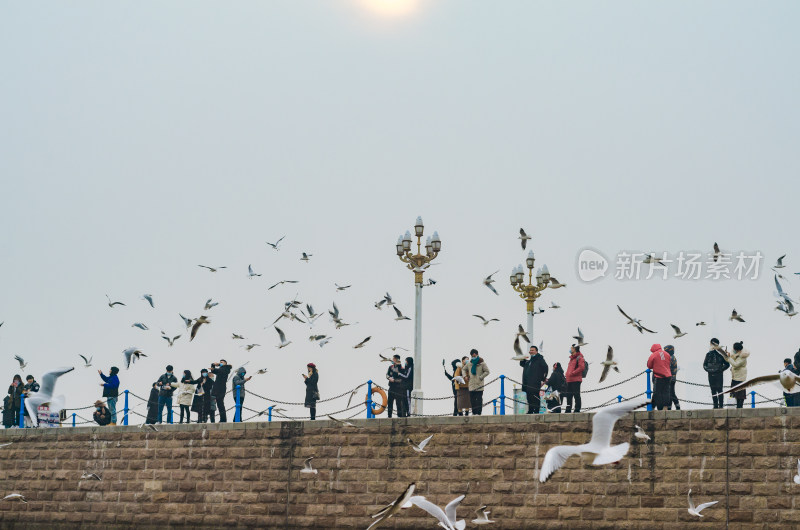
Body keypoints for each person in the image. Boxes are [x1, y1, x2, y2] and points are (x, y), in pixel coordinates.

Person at [520, 345, 548, 414]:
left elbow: (545, 368)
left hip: (535, 382)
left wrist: (542, 379)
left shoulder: (540, 359)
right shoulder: (529, 360)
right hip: (527, 382)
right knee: (529, 397)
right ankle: (530, 410)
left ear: (536, 351)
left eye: (532, 350)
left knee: (535, 396)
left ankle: (536, 410)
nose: (531, 351)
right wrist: (522, 358)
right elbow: (522, 364)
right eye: (530, 350)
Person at [703, 338, 729, 409]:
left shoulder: (720, 355)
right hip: (713, 374)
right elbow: (704, 365)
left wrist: (719, 370)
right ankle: (716, 405)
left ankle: (720, 405)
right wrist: (712, 370)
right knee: (714, 390)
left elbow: (727, 364)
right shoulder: (709, 354)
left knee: (718, 390)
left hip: (717, 375)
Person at [721, 342, 749, 409]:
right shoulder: (736, 353)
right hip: (735, 376)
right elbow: (731, 359)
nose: (732, 350)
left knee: (740, 394)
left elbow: (735, 364)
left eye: (734, 349)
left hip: (740, 377)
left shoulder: (743, 357)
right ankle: (733, 407)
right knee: (733, 393)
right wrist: (726, 355)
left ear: (738, 350)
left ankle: (740, 408)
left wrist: (728, 358)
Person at [647, 344, 671, 410]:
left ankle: (658, 408)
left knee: (657, 393)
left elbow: (649, 365)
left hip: (659, 376)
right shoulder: (667, 354)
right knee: (666, 391)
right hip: (668, 376)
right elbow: (669, 363)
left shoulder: (654, 355)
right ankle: (665, 407)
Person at [467, 349, 490, 415]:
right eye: (472, 355)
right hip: (471, 385)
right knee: (472, 400)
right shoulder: (469, 364)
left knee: (479, 400)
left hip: (479, 384)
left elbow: (487, 371)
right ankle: (474, 413)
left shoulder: (482, 363)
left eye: (474, 355)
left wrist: (481, 377)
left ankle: (479, 413)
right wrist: (465, 376)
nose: (473, 356)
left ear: (477, 354)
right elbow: (464, 369)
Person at [564, 345, 585, 413]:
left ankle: (577, 409)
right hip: (569, 380)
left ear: (575, 349)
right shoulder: (572, 358)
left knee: (576, 395)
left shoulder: (580, 357)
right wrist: (567, 374)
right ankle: (568, 409)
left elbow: (581, 367)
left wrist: (573, 373)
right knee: (569, 395)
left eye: (571, 348)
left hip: (576, 379)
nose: (570, 349)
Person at [664, 345, 680, 410]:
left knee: (671, 393)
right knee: (670, 393)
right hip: (672, 377)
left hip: (670, 378)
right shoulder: (672, 357)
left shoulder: (670, 358)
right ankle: (670, 407)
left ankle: (677, 406)